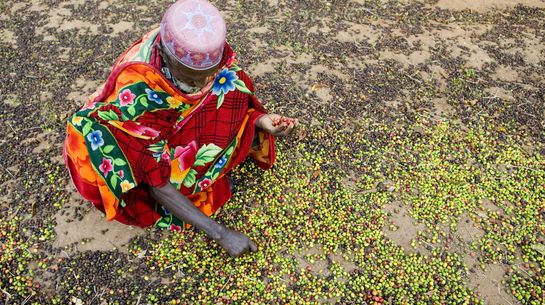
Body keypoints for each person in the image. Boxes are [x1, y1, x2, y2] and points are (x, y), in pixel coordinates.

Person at [63, 0, 298, 257]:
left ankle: (210, 149)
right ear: (164, 54)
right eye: (191, 78)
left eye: (209, 73)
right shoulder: (139, 93)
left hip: (171, 121)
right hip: (130, 140)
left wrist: (262, 121)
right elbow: (156, 182)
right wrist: (220, 233)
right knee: (145, 183)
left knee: (229, 85)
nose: (203, 83)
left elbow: (234, 92)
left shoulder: (207, 59)